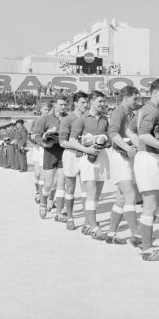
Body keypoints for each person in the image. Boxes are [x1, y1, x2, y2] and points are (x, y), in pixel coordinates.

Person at [133, 79, 159, 261]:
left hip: (147, 157)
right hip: (149, 158)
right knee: (150, 206)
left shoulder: (144, 109)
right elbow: (142, 134)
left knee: (155, 205)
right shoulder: (151, 110)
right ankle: (147, 250)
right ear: (155, 92)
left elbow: (130, 129)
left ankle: (142, 238)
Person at [69, 91, 110, 240]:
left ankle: (87, 224)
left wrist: (105, 140)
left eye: (103, 101)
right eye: (100, 101)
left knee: (97, 195)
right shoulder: (82, 119)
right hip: (87, 158)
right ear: (92, 102)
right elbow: (72, 140)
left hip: (102, 157)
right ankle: (94, 228)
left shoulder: (105, 118)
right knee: (91, 193)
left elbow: (109, 137)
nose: (102, 104)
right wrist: (87, 149)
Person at [106, 86, 142, 247]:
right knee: (130, 195)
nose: (137, 102)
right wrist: (128, 148)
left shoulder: (130, 114)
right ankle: (136, 235)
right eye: (135, 98)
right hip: (120, 155)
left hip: (127, 155)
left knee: (121, 197)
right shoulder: (118, 112)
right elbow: (112, 133)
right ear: (126, 97)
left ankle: (111, 233)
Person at [59, 91, 89, 230]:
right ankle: (70, 217)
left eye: (87, 102)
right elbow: (63, 143)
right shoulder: (67, 119)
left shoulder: (89, 118)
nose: (86, 104)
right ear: (75, 103)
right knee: (70, 187)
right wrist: (79, 145)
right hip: (71, 155)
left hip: (85, 155)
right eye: (83, 102)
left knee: (86, 189)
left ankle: (88, 220)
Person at [36, 96, 69, 221]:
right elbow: (37, 135)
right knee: (49, 184)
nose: (63, 107)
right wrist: (44, 143)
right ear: (54, 105)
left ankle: (59, 212)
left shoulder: (69, 118)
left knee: (61, 184)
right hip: (50, 152)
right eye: (61, 104)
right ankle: (43, 202)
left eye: (65, 104)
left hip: (64, 153)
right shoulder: (45, 119)